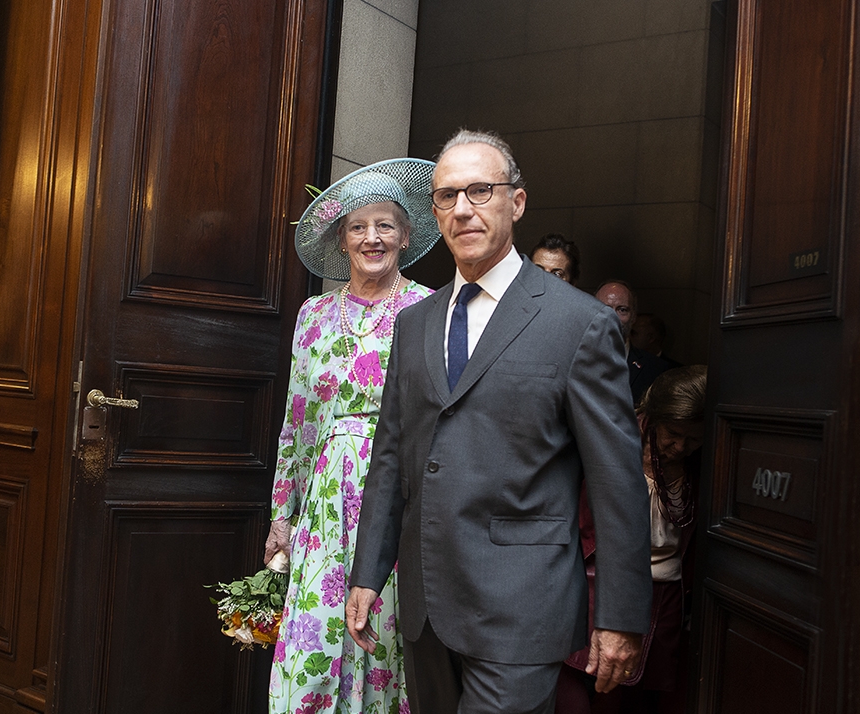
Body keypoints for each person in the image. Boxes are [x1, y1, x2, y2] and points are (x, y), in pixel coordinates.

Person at [345, 128, 653, 714]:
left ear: (516, 202)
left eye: (480, 191)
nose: (462, 209)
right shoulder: (414, 325)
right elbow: (391, 455)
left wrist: (621, 616)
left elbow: (616, 481)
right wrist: (368, 572)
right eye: (446, 195)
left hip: (521, 608)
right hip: (427, 605)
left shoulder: (579, 325)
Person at [265, 158, 440, 714]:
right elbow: (296, 421)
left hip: (398, 496)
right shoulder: (313, 314)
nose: (373, 238)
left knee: (384, 631)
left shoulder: (430, 309)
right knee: (314, 633)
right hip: (323, 503)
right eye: (359, 227)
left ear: (406, 235)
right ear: (341, 240)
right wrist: (282, 515)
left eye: (385, 225)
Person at [557, 365, 707, 714]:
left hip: (666, 595)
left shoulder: (703, 464)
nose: (681, 446)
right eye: (673, 433)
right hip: (598, 584)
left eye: (694, 438)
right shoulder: (613, 441)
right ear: (654, 416)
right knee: (575, 693)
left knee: (631, 702)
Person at [595, 280, 673, 405]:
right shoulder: (572, 361)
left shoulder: (657, 370)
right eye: (604, 309)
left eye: (622, 310)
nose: (612, 317)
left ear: (633, 317)